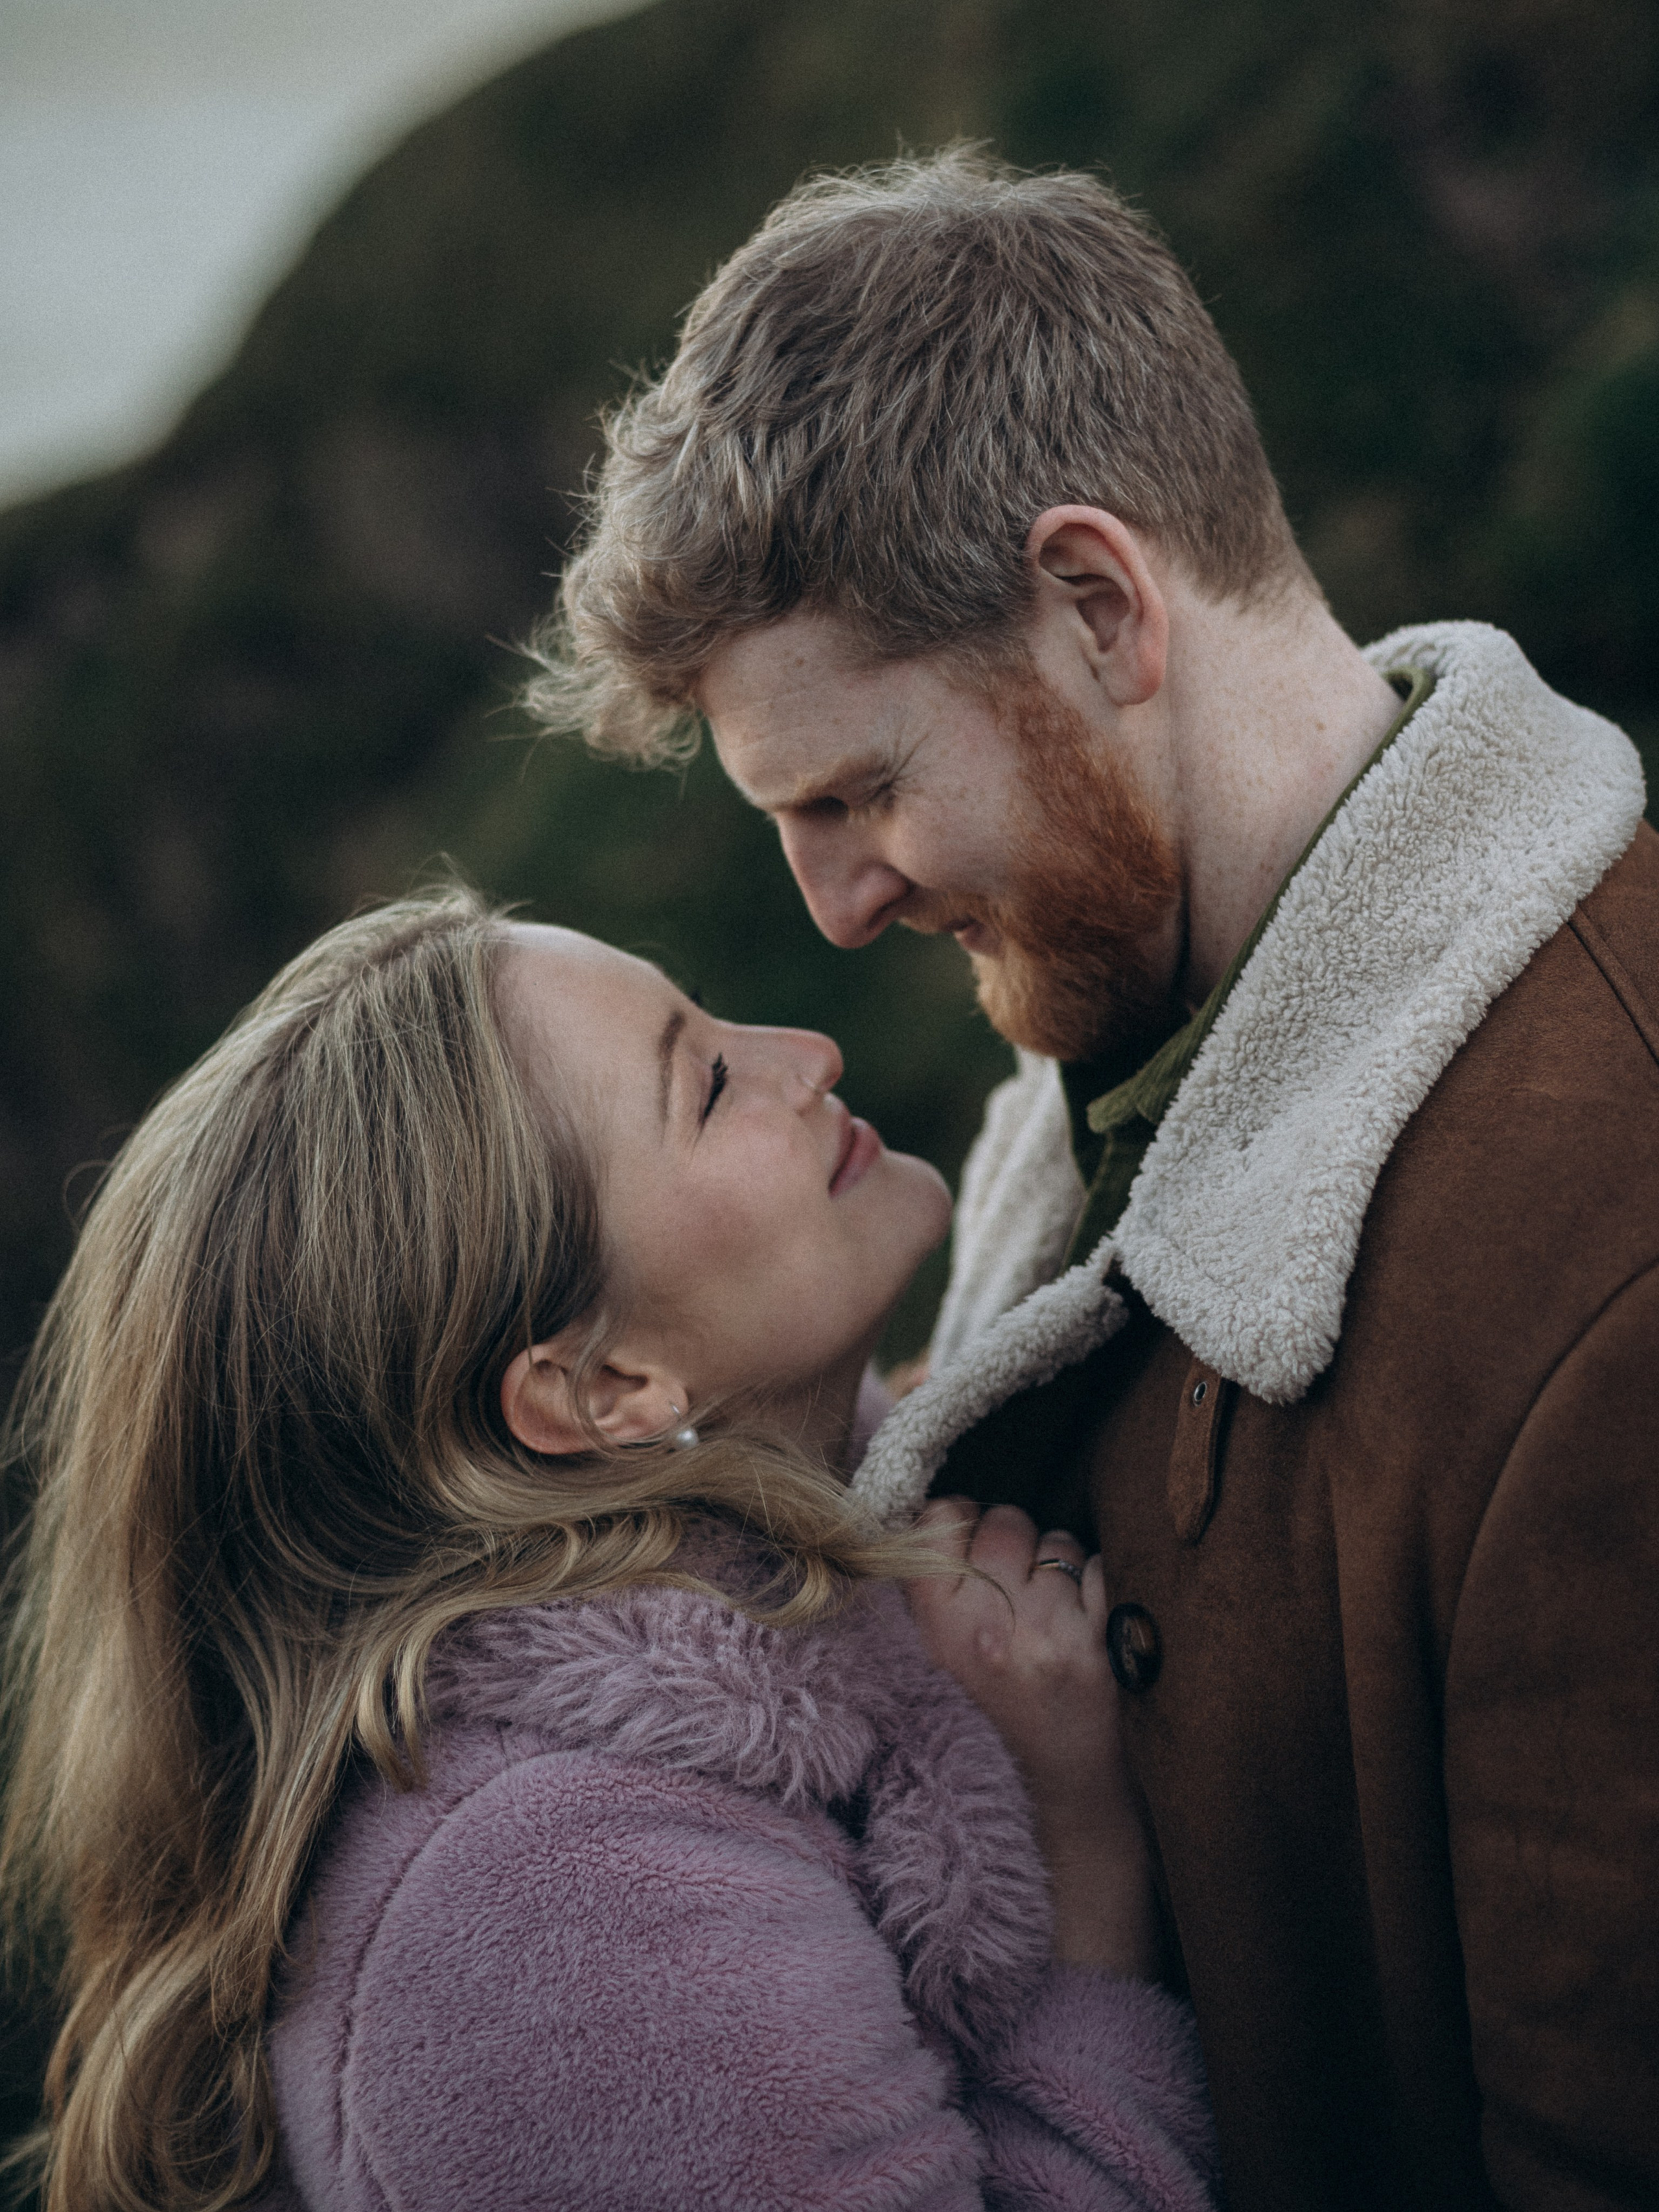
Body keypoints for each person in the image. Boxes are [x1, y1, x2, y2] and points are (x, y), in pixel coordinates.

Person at [534, 150, 1659, 2208]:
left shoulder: (1624, 1239)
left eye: (859, 790)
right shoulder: (1099, 1066)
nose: (836, 904)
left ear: (1098, 605)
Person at [0, 887, 1218, 2212]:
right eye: (705, 1084)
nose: (806, 1055)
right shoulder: (552, 1908)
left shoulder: (872, 1550)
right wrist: (1082, 1870)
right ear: (601, 1388)